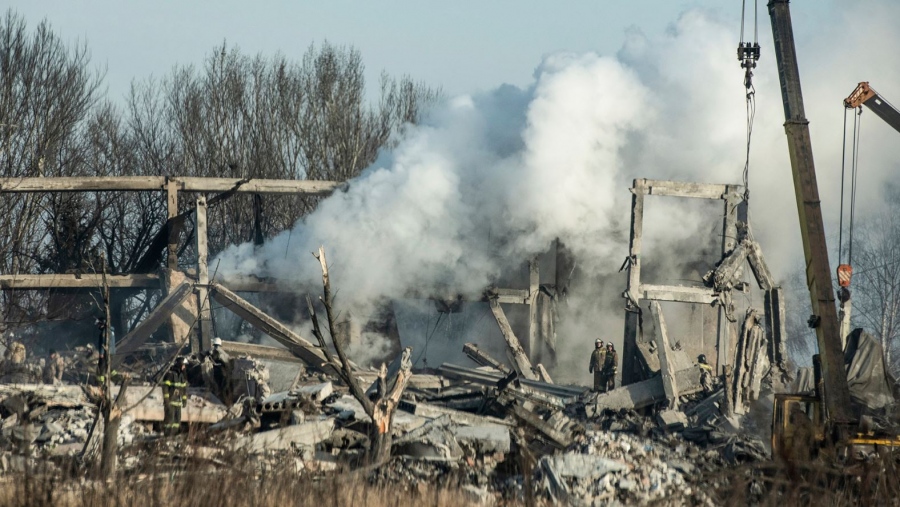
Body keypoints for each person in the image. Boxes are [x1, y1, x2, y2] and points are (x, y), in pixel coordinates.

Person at [162, 357, 189, 435]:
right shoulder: (170, 375)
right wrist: (166, 400)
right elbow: (165, 387)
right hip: (170, 403)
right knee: (169, 421)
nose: (184, 367)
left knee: (177, 421)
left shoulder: (181, 376)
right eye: (183, 365)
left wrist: (184, 400)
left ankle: (175, 435)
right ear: (180, 364)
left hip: (178, 403)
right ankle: (167, 436)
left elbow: (183, 389)